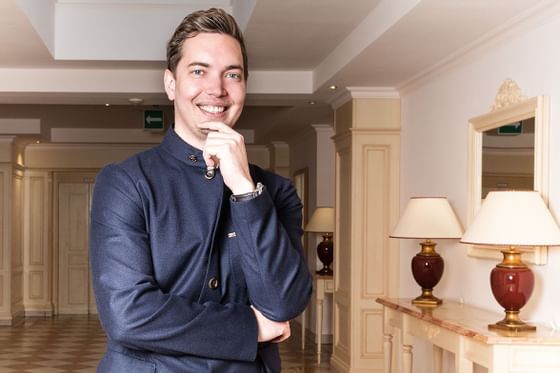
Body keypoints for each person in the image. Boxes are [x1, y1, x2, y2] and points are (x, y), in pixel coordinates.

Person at [89, 7, 313, 373]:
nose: (217, 89)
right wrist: (251, 327)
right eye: (198, 71)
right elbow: (128, 314)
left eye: (232, 74)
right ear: (171, 83)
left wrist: (245, 189)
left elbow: (284, 302)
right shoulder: (125, 182)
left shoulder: (276, 191)